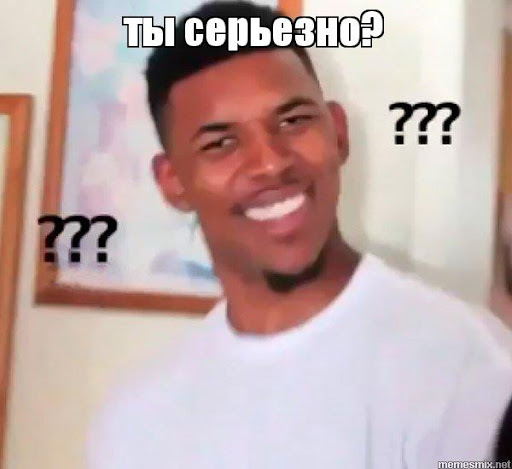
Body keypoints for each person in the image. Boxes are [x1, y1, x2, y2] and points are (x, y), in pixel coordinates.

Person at [87, 2, 512, 468]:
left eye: (293, 121)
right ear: (173, 182)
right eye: (221, 143)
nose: (271, 163)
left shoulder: (465, 367)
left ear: (338, 133)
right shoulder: (135, 419)